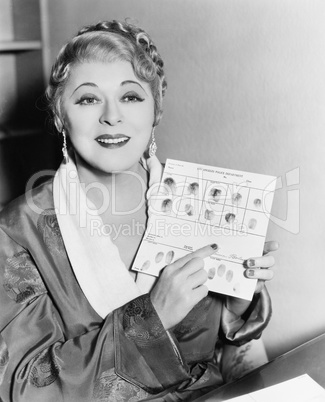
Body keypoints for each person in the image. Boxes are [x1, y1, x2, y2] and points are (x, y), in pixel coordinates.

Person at [0, 20, 278, 402]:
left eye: (130, 96)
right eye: (88, 99)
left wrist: (239, 293)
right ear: (60, 116)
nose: (112, 116)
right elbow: (24, 385)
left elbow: (223, 350)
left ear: (155, 111)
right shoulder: (17, 230)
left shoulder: (198, 201)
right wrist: (152, 318)